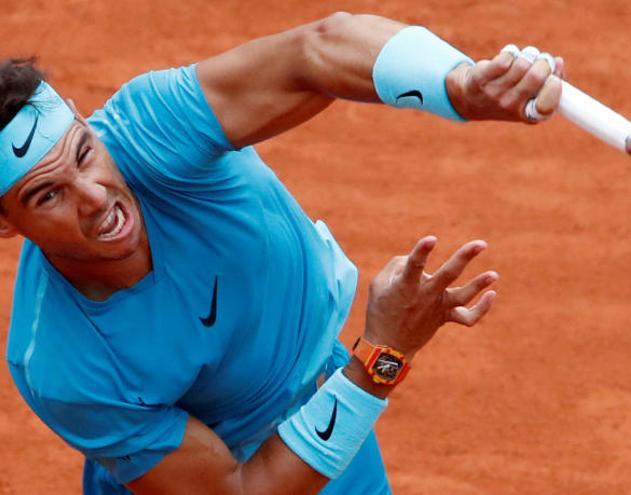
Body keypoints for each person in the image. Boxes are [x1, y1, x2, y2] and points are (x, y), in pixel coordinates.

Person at [1, 12, 562, 495]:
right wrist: (383, 355)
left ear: (81, 119)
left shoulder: (149, 130)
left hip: (326, 413)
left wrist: (457, 85)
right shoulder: (62, 366)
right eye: (48, 194)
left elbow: (315, 51)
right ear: (6, 222)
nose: (95, 197)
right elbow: (242, 491)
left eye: (83, 153)